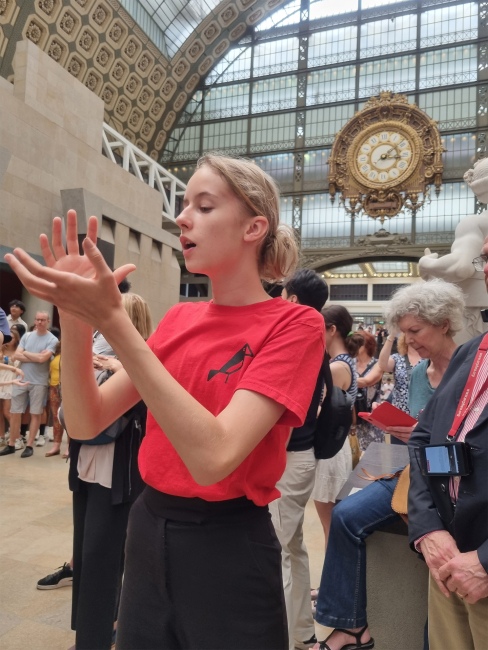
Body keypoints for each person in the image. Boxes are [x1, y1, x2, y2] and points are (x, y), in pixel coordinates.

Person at [7, 154, 325, 650]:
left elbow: (214, 457)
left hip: (230, 543)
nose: (182, 218)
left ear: (253, 227)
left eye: (203, 206)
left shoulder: (293, 325)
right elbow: (88, 421)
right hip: (148, 524)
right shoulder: (179, 320)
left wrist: (113, 322)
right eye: (183, 205)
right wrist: (74, 316)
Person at [312, 279, 465, 650]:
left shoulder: (472, 370)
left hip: (454, 481)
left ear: (443, 323)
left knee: (442, 565)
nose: (409, 340)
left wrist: (418, 435)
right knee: (347, 513)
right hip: (410, 468)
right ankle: (348, 625)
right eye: (404, 332)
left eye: (415, 330)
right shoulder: (415, 373)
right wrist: (402, 430)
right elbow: (415, 434)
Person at [408, 242, 488, 650]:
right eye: (485, 259)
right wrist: (429, 529)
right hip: (449, 555)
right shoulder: (473, 353)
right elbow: (423, 438)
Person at [67, 292, 152, 650]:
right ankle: (91, 633)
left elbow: (144, 416)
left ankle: (97, 638)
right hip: (88, 468)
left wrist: (120, 370)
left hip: (117, 475)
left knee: (103, 560)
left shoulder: (142, 361)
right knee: (86, 556)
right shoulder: (101, 354)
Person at [273, 269, 328, 650]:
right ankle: (300, 632)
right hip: (301, 457)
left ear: (292, 300)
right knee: (292, 547)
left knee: (277, 551)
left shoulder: (297, 342)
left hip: (289, 459)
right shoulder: (316, 341)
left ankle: (277, 636)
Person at [311, 305, 361, 550]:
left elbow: (319, 410)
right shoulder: (345, 362)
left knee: (330, 527)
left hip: (330, 450)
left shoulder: (336, 367)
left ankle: (331, 586)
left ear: (332, 329)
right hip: (336, 447)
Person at [0, 311, 58, 458]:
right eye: (37, 319)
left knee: (35, 413)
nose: (39, 322)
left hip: (39, 381)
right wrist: (37, 356)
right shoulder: (27, 336)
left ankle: (30, 445)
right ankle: (12, 443)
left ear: (48, 321)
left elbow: (42, 359)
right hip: (21, 378)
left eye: (43, 320)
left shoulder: (52, 339)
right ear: (34, 320)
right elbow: (17, 355)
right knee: (15, 412)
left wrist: (27, 354)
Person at [354, 331, 383, 451]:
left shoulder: (377, 364)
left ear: (367, 345)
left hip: (372, 415)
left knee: (373, 455)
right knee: (353, 454)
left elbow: (367, 381)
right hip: (353, 415)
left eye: (358, 343)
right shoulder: (350, 363)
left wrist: (344, 379)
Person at [0, 329, 22, 445]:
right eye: (8, 337)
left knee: (7, 412)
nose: (9, 340)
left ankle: (17, 437)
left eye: (12, 338)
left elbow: (18, 367)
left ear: (16, 340)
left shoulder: (17, 353)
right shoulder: (0, 350)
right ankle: (1, 436)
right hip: (0, 379)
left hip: (10, 381)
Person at [44, 336, 65, 457]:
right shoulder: (56, 355)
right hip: (54, 386)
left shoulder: (72, 354)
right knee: (56, 416)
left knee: (67, 417)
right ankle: (56, 445)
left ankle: (69, 447)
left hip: (67, 387)